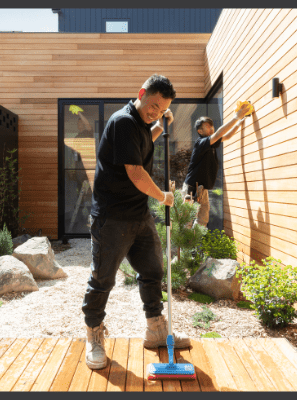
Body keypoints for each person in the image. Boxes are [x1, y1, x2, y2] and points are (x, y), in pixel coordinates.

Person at [82, 74, 191, 370]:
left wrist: (159, 125)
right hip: (112, 217)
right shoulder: (123, 121)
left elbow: (144, 141)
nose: (155, 111)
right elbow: (136, 172)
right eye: (153, 105)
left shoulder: (141, 125)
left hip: (138, 215)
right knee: (103, 278)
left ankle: (155, 330)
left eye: (162, 108)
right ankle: (93, 337)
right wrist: (163, 197)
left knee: (153, 270)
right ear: (141, 93)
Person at [182, 102, 253, 227]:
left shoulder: (212, 143)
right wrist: (236, 117)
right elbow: (219, 134)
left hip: (202, 188)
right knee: (187, 220)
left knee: (203, 219)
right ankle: (184, 246)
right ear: (200, 131)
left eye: (212, 126)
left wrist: (239, 121)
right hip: (191, 188)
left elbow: (228, 135)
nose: (211, 128)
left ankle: (193, 244)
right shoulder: (201, 143)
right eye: (207, 127)